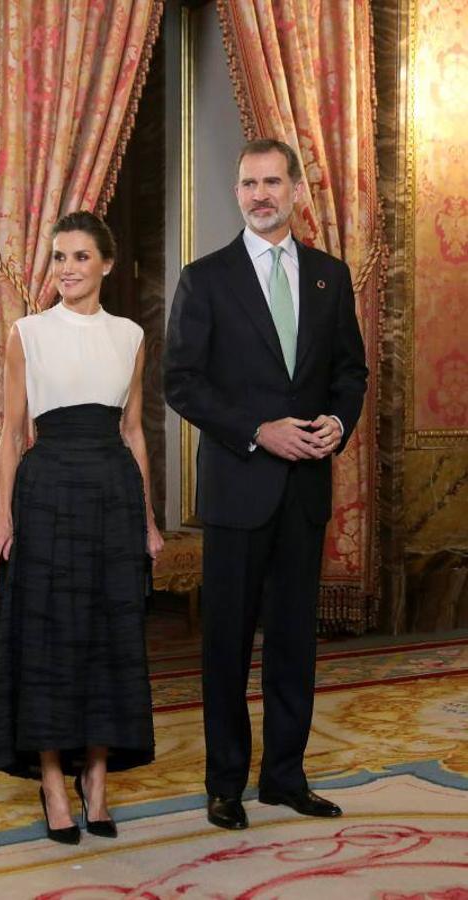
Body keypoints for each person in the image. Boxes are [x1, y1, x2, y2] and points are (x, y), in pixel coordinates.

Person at [164, 139, 368, 830]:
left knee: (292, 641)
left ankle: (285, 777)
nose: (259, 194)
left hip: (305, 489)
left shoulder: (329, 276)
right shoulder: (206, 277)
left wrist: (340, 421)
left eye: (272, 181)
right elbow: (181, 382)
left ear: (295, 189)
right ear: (237, 190)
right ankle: (224, 783)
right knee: (226, 642)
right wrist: (258, 429)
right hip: (237, 488)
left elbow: (351, 372)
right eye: (248, 182)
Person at [0, 210, 163, 844]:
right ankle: (53, 780)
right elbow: (10, 432)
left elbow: (134, 432)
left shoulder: (132, 336)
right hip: (47, 488)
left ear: (106, 264)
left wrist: (149, 522)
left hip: (113, 493)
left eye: (81, 257)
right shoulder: (26, 332)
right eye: (59, 257)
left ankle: (98, 780)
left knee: (110, 632)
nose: (67, 269)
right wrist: (3, 516)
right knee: (48, 634)